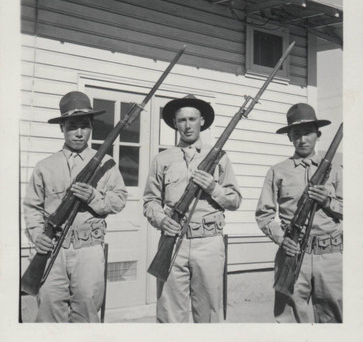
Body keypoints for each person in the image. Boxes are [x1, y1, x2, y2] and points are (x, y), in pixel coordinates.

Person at [23, 91, 128, 323]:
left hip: (88, 249)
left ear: (91, 126)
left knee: (87, 313)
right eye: (72, 126)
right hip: (52, 251)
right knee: (49, 312)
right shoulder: (44, 166)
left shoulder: (107, 164)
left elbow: (119, 199)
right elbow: (32, 207)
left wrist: (94, 197)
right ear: (62, 127)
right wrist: (37, 235)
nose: (79, 133)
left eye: (84, 126)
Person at [143, 94, 242, 323]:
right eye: (182, 120)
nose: (187, 126)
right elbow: (150, 201)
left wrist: (213, 188)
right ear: (175, 124)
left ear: (202, 121)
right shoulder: (162, 159)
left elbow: (235, 200)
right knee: (169, 315)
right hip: (172, 240)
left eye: (192, 119)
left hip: (208, 242)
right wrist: (160, 219)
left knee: (208, 314)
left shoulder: (219, 157)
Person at [255, 103, 343, 323]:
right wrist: (282, 239)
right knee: (290, 322)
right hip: (292, 254)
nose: (302, 140)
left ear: (318, 134)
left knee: (335, 320)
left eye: (308, 133)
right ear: (289, 138)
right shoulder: (277, 171)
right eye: (296, 135)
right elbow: (263, 215)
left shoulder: (337, 170)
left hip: (330, 255)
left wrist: (328, 201)